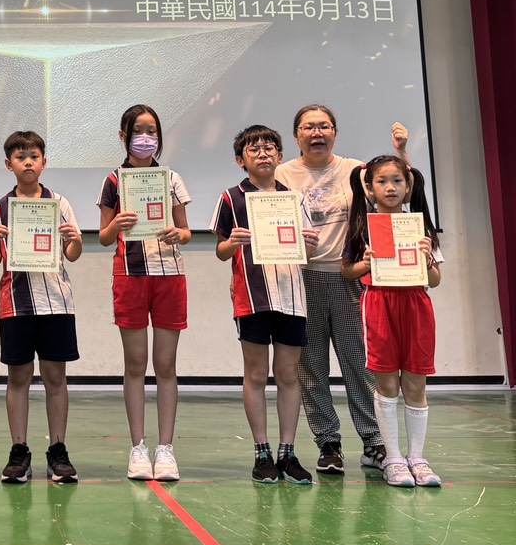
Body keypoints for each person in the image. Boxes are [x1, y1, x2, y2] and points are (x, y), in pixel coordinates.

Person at [274, 105, 408, 476]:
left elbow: (400, 189)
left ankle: (374, 441)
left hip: (350, 278)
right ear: (297, 135)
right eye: (308, 127)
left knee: (360, 364)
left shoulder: (356, 171)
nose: (316, 133)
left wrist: (401, 151)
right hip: (301, 279)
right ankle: (328, 443)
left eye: (324, 126)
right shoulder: (282, 174)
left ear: (335, 131)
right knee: (310, 367)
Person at [211, 124, 320, 485]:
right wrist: (233, 242)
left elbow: (308, 251)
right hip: (252, 297)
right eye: (253, 149)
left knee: (288, 375)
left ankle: (288, 452)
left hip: (292, 297)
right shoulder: (231, 198)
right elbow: (221, 250)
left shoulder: (294, 199)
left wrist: (309, 243)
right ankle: (262, 452)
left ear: (280, 155)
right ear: (240, 160)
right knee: (256, 375)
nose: (262, 153)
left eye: (269, 147)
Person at [97, 103, 192, 482]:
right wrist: (117, 225)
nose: (146, 138)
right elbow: (104, 237)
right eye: (138, 131)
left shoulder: (171, 178)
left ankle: (166, 449)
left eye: (152, 131)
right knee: (135, 365)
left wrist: (177, 233)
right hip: (130, 275)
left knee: (166, 366)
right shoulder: (113, 181)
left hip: (169, 275)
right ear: (124, 136)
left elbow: (186, 231)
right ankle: (138, 447)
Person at [0, 131, 83, 484]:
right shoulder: (1, 207)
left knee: (56, 378)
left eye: (34, 156)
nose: (28, 162)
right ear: (8, 164)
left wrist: (74, 241)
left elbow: (72, 254)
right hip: (16, 305)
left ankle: (58, 450)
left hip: (56, 303)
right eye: (20, 157)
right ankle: (19, 451)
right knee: (18, 379)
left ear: (44, 162)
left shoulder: (60, 203)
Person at [341, 156, 444, 488]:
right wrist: (366, 263)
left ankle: (418, 458)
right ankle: (394, 458)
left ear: (408, 185)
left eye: (397, 181)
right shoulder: (363, 227)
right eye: (382, 181)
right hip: (379, 303)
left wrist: (427, 260)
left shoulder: (420, 227)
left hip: (416, 304)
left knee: (415, 384)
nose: (390, 187)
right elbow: (348, 270)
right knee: (386, 384)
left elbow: (435, 280)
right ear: (369, 188)